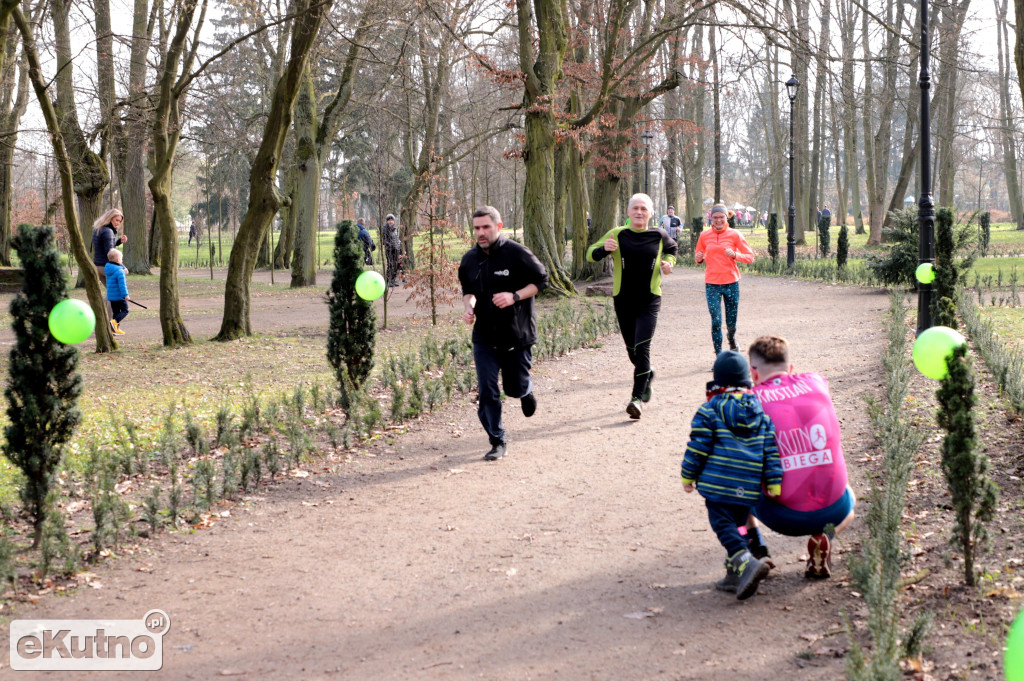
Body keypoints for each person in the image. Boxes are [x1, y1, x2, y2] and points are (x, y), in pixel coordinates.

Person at [744, 335, 856, 579]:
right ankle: (824, 535)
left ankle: (757, 550)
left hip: (783, 517)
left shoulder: (749, 401)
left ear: (753, 374)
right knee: (850, 499)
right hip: (834, 509)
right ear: (791, 368)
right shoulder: (816, 381)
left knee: (731, 477)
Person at [681, 350, 782, 600]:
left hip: (718, 486)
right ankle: (733, 574)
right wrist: (774, 481)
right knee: (739, 525)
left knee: (723, 525)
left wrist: (687, 475)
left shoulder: (709, 410)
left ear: (717, 381)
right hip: (748, 487)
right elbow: (770, 448)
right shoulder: (760, 413)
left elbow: (698, 446)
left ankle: (746, 562)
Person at [458, 206, 549, 461]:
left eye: (486, 227)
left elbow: (542, 281)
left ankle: (525, 390)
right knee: (487, 390)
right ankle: (497, 440)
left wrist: (515, 296)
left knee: (513, 387)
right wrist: (468, 308)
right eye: (477, 228)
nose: (481, 232)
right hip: (485, 336)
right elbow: (468, 291)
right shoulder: (469, 260)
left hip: (517, 334)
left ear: (498, 227)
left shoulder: (517, 253)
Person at [587, 193, 677, 419]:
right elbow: (590, 255)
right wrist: (604, 249)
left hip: (649, 299)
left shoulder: (659, 234)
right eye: (635, 208)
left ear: (650, 213)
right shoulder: (618, 234)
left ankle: (636, 399)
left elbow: (672, 249)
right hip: (624, 300)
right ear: (628, 212)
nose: (639, 212)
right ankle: (646, 374)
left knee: (643, 347)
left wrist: (669, 264)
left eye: (643, 209)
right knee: (632, 352)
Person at [694, 203, 754, 356]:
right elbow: (698, 256)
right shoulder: (704, 235)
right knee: (716, 321)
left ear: (727, 217)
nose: (718, 220)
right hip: (712, 284)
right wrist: (699, 258)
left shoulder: (735, 235)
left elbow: (750, 257)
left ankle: (731, 338)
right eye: (715, 217)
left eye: (721, 217)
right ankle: (719, 356)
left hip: (731, 283)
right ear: (711, 218)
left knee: (731, 322)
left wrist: (735, 255)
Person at [92, 208, 126, 322]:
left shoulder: (99, 229)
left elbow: (106, 246)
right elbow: (110, 253)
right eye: (116, 220)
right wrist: (122, 266)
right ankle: (110, 324)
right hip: (107, 267)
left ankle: (102, 322)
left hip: (98, 266)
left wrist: (118, 241)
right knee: (115, 295)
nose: (118, 223)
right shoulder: (108, 232)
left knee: (110, 293)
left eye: (119, 221)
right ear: (110, 218)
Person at [104, 248, 130, 335]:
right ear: (118, 259)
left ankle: (115, 329)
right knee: (125, 310)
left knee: (116, 312)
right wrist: (125, 295)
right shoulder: (119, 271)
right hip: (119, 296)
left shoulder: (108, 268)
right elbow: (122, 285)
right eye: (121, 259)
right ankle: (114, 322)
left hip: (111, 296)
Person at [382, 214, 403, 287]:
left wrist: (400, 249)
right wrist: (391, 245)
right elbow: (384, 241)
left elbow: (397, 239)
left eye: (391, 220)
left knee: (396, 265)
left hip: (396, 249)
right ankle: (388, 281)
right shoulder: (385, 229)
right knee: (390, 265)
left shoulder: (395, 228)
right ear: (387, 221)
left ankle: (393, 280)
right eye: (389, 220)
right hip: (389, 250)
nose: (390, 221)